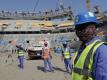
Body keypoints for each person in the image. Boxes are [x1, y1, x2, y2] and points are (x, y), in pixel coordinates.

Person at [72, 11, 107, 80]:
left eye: (82, 27)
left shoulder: (101, 50)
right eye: (77, 28)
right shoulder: (81, 47)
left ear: (94, 28)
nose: (79, 31)